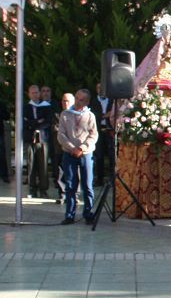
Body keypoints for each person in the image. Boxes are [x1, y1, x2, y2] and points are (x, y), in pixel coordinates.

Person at [57, 89, 98, 225]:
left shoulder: (90, 115)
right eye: (76, 98)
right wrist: (72, 147)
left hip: (85, 153)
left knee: (87, 184)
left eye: (81, 99)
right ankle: (70, 214)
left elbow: (93, 135)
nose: (78, 101)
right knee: (70, 184)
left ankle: (88, 213)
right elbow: (61, 134)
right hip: (69, 153)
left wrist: (82, 148)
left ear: (86, 101)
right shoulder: (65, 114)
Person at [23, 84, 52, 199]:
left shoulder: (46, 106)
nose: (35, 95)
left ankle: (43, 189)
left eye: (37, 92)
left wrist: (35, 124)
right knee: (31, 164)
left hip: (43, 139)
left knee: (43, 165)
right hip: (30, 139)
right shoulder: (26, 107)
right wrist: (37, 122)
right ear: (29, 94)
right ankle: (32, 189)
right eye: (33, 93)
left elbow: (48, 121)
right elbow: (25, 122)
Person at [92, 83, 115, 188]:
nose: (100, 90)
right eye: (98, 88)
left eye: (102, 88)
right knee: (99, 155)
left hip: (110, 130)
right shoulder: (93, 101)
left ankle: (112, 179)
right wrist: (105, 115)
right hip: (98, 130)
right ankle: (99, 179)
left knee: (111, 155)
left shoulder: (112, 100)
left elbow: (115, 112)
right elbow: (93, 115)